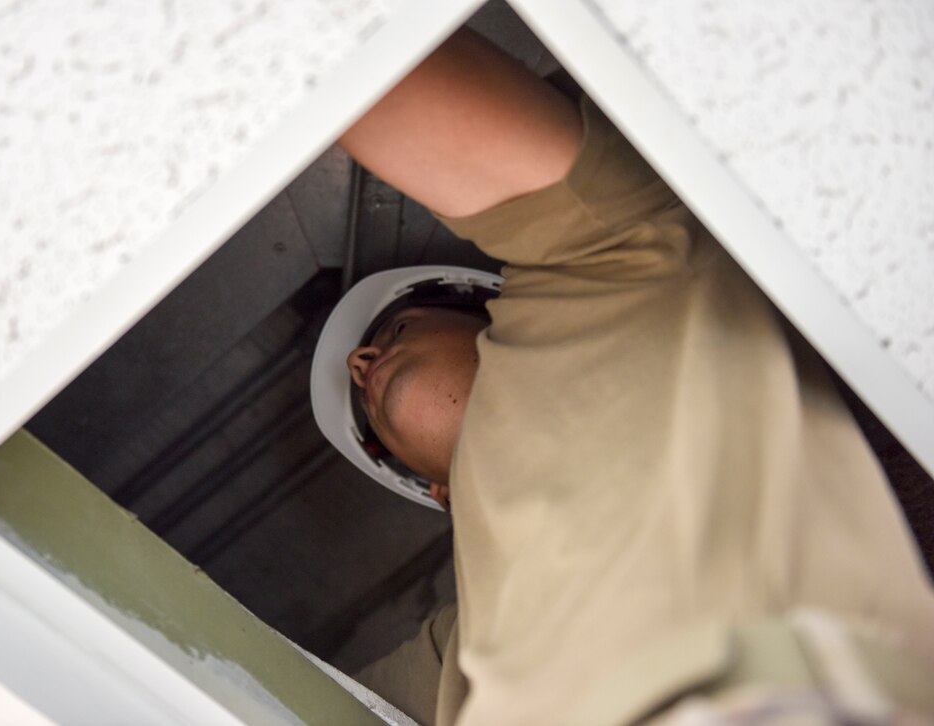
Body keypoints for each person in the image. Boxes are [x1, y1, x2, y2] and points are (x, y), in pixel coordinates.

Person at [311, 27, 934, 725]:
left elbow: (346, 49)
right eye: (373, 420)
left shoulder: (619, 264)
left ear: (485, 312)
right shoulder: (448, 656)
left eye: (397, 330)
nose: (360, 363)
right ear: (443, 493)